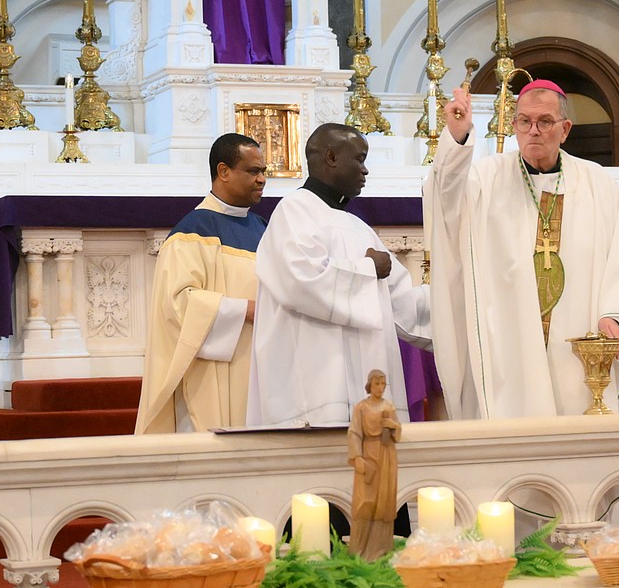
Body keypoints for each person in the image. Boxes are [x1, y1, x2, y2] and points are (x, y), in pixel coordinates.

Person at [424, 79, 619, 418]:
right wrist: (458, 138)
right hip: (509, 341)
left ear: (565, 129)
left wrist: (615, 316)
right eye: (524, 121)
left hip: (578, 342)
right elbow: (443, 197)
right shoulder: (485, 178)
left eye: (545, 122)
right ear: (514, 125)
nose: (533, 131)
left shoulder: (597, 183)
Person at [247, 123, 431, 426]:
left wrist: (467, 303)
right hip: (312, 398)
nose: (365, 170)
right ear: (331, 156)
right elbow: (301, 283)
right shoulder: (293, 211)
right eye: (359, 159)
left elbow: (402, 305)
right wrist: (368, 269)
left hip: (366, 397)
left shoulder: (360, 228)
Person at [135, 133, 268, 433]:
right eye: (253, 171)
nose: (261, 179)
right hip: (212, 374)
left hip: (259, 365)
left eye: (263, 172)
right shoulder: (193, 231)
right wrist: (243, 311)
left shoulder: (261, 228)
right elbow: (177, 304)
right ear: (223, 171)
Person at [347, 369, 401, 561]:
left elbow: (398, 432)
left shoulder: (389, 407)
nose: (380, 388)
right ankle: (359, 551)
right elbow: (354, 433)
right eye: (377, 384)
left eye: (383, 384)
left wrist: (392, 426)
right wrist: (358, 457)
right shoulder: (361, 407)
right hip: (368, 455)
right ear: (370, 385)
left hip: (386, 454)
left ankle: (381, 550)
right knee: (365, 502)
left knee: (384, 502)